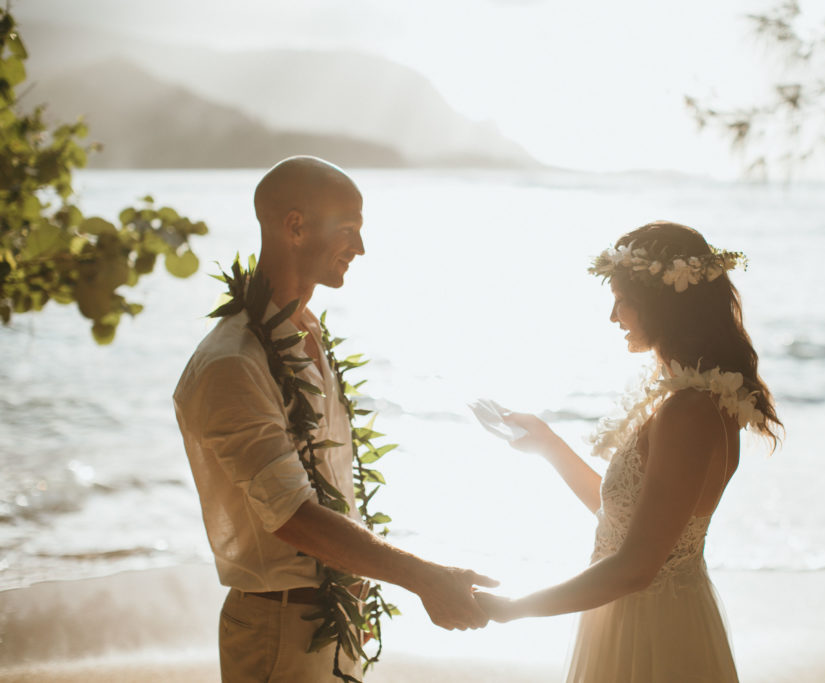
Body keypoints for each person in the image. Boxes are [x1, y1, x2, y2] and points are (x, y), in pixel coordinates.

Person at [173, 156, 496, 682]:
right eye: (348, 229)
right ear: (295, 226)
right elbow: (292, 513)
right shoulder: (235, 360)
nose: (360, 248)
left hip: (329, 615)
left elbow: (330, 483)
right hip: (279, 629)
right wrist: (426, 579)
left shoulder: (309, 332)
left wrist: (355, 585)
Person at [475, 221, 783, 682]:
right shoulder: (690, 398)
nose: (614, 317)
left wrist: (513, 610)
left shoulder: (689, 412)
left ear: (662, 307)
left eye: (622, 301)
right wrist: (548, 445)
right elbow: (625, 519)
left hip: (651, 630)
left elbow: (635, 568)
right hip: (638, 615)